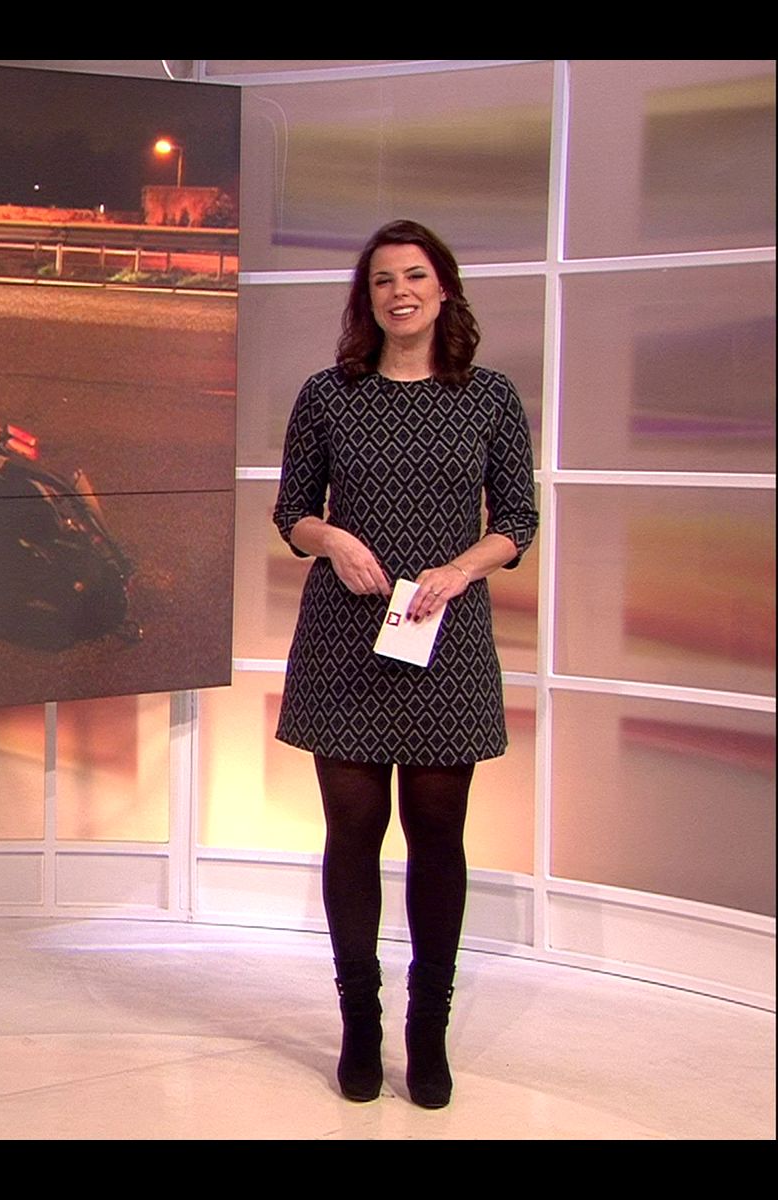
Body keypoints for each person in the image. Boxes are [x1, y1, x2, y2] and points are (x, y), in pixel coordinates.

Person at [271, 219, 538, 1108]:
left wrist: (460, 570)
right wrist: (335, 540)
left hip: (444, 638)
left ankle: (429, 1029)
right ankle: (360, 1024)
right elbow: (292, 512)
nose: (400, 293)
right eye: (383, 279)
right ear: (368, 297)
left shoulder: (489, 396)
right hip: (343, 639)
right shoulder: (327, 394)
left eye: (415, 276)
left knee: (437, 834)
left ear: (443, 287)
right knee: (352, 833)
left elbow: (519, 521)